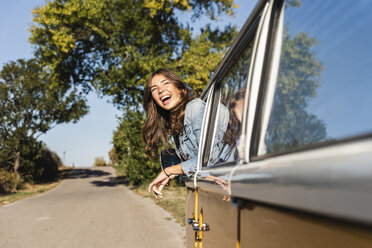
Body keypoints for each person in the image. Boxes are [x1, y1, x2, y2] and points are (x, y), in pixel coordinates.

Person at [142, 68, 228, 198]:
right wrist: (173, 173)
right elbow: (198, 163)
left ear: (179, 88)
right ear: (153, 99)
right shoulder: (177, 125)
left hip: (233, 186)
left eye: (166, 83)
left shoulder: (195, 108)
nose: (160, 90)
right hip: (216, 190)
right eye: (154, 89)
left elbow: (209, 158)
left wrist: (169, 171)